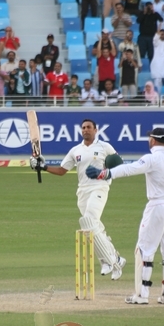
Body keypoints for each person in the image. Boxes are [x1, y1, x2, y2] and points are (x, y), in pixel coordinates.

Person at [85, 127, 164, 305]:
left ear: (153, 140)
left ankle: (141, 295)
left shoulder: (151, 158)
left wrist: (104, 173)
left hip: (158, 206)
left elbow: (129, 169)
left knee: (143, 250)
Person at [35, 119, 126, 278]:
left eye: (89, 127)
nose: (85, 130)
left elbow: (119, 164)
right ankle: (117, 260)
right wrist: (43, 166)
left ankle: (106, 261)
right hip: (82, 192)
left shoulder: (105, 147)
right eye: (83, 128)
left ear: (95, 130)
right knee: (94, 227)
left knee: (89, 221)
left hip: (99, 187)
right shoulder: (75, 150)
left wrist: (111, 169)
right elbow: (62, 170)